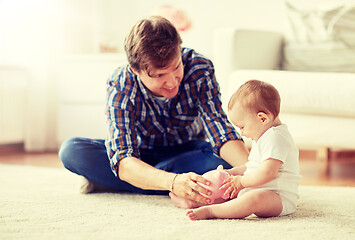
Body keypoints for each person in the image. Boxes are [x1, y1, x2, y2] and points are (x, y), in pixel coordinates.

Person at [58, 16, 249, 205]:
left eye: (176, 67)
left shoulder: (200, 68)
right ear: (135, 69)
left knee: (223, 163)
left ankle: (126, 182)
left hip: (189, 152)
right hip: (140, 155)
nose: (172, 81)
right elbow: (124, 159)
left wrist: (252, 172)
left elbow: (219, 130)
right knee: (72, 151)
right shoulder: (121, 84)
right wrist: (173, 182)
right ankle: (162, 182)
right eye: (159, 75)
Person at [185, 80, 301, 220]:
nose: (241, 133)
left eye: (242, 127)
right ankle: (195, 200)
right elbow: (252, 167)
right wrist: (233, 173)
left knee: (254, 199)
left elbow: (268, 172)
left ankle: (212, 212)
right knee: (225, 190)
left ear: (262, 119)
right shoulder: (264, 136)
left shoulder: (276, 137)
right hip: (259, 188)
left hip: (278, 197)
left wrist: (242, 182)